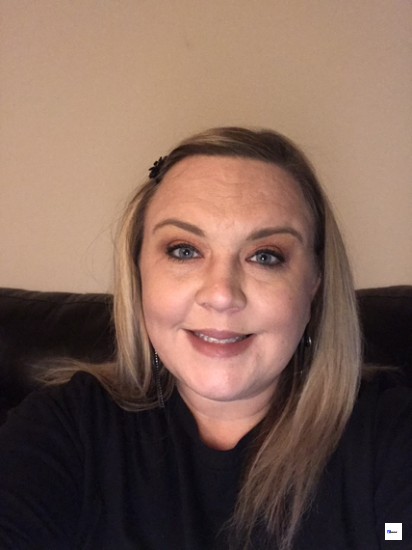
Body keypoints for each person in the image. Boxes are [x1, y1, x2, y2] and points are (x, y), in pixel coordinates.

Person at [0, 127, 411, 550]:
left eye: (265, 256)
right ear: (139, 273)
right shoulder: (66, 428)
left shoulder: (390, 433)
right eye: (184, 250)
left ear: (315, 284)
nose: (221, 295)